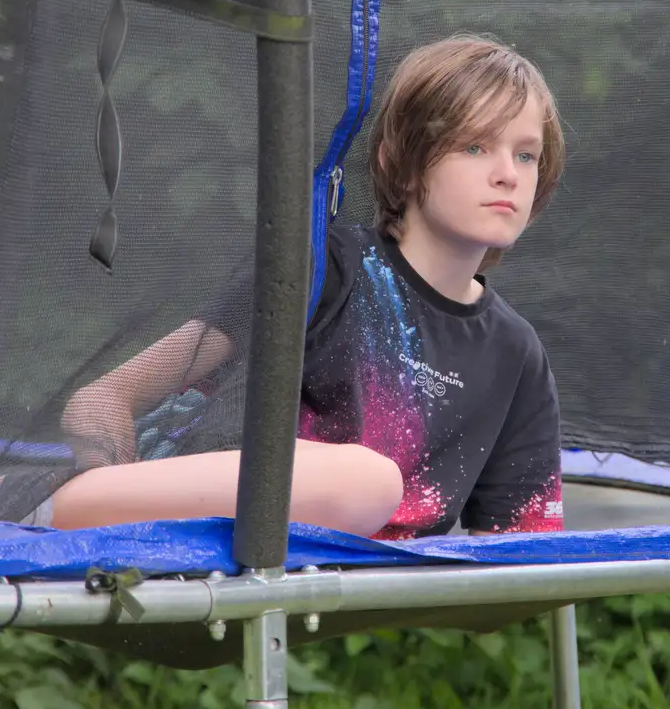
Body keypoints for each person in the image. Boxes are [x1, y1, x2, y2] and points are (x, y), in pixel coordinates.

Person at [51, 34, 567, 540]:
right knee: (370, 481)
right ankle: (78, 505)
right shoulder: (325, 268)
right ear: (400, 163)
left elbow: (521, 550)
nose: (508, 175)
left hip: (327, 582)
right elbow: (101, 399)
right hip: (198, 530)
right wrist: (114, 504)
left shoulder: (515, 354)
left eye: (526, 155)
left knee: (373, 486)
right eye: (475, 146)